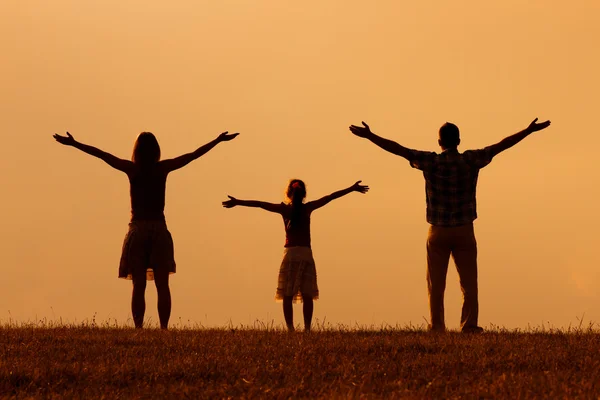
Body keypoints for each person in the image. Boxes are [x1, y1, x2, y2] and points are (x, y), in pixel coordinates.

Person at [349, 118, 551, 333]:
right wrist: (528, 131)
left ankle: (437, 326)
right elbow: (501, 145)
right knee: (469, 284)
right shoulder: (470, 160)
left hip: (437, 230)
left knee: (435, 285)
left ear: (439, 142)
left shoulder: (431, 161)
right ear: (459, 141)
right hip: (464, 229)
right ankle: (469, 325)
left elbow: (399, 150)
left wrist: (370, 136)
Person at [53, 130, 239, 329]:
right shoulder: (162, 168)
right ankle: (164, 328)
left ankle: (139, 328)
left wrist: (75, 144)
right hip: (159, 230)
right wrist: (217, 140)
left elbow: (102, 155)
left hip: (138, 230)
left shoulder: (132, 169)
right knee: (162, 285)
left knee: (138, 285)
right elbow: (192, 156)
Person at [222, 179, 369, 331]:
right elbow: (331, 196)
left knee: (287, 293)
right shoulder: (308, 208)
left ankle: (291, 329)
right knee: (307, 294)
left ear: (288, 193)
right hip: (305, 253)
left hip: (291, 254)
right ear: (303, 194)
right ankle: (307, 328)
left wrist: (238, 202)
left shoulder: (285, 209)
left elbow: (259, 204)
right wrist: (352, 188)